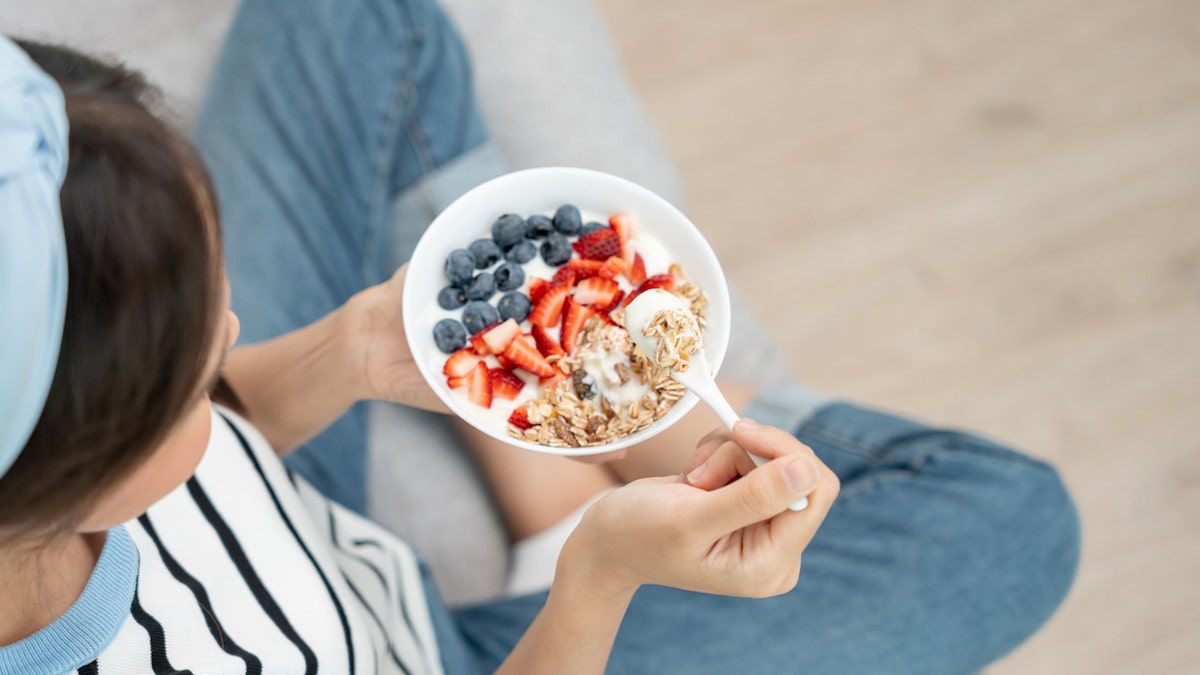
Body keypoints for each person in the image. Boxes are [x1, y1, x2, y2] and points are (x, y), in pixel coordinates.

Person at [0, 0, 1080, 671]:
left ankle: (560, 452)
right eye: (196, 370)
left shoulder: (61, 451)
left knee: (355, 11)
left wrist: (353, 348)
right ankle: (585, 471)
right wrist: (597, 575)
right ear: (87, 466)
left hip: (305, 529)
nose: (234, 330)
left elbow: (218, 437)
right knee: (1012, 520)